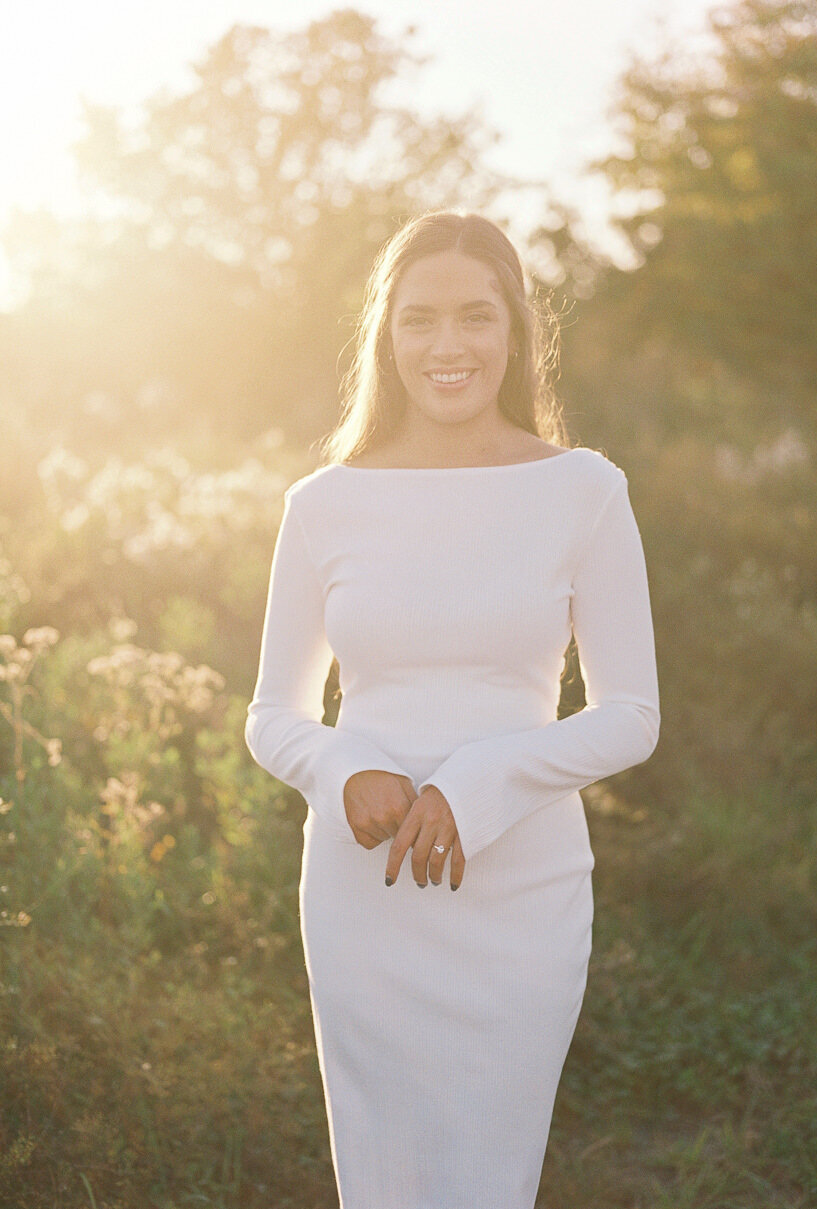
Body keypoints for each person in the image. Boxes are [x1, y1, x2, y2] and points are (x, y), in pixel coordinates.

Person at [245, 211, 660, 1209]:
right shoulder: (322, 503)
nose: (448, 346)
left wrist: (481, 780)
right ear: (386, 336)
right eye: (420, 319)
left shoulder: (584, 491)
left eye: (476, 317)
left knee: (487, 1174)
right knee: (384, 1179)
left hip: (521, 886)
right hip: (363, 891)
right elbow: (271, 715)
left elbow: (632, 714)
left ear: (516, 332)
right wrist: (344, 768)